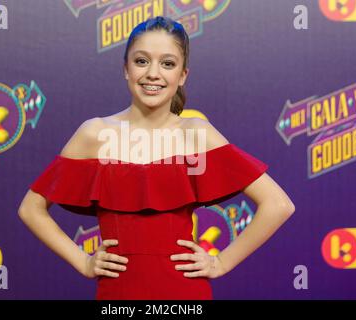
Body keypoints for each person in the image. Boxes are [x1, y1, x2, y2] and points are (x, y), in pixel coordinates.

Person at [18, 16, 295, 300]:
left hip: (185, 295)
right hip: (118, 296)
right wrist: (83, 261)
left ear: (183, 75)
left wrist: (221, 262)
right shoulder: (95, 133)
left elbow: (278, 204)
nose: (153, 73)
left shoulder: (195, 133)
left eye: (167, 63)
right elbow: (31, 209)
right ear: (126, 69)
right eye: (141, 61)